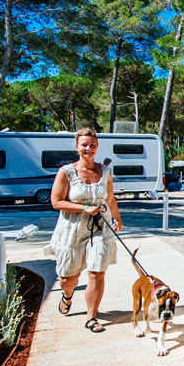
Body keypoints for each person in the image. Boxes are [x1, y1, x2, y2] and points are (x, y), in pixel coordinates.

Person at [45, 128, 123, 333]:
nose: (89, 148)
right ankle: (67, 295)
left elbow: (110, 198)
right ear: (77, 147)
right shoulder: (66, 172)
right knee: (67, 278)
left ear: (97, 147)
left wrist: (117, 217)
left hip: (100, 227)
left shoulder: (105, 171)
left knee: (97, 272)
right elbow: (56, 202)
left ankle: (91, 317)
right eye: (84, 145)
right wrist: (84, 208)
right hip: (72, 228)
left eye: (93, 145)